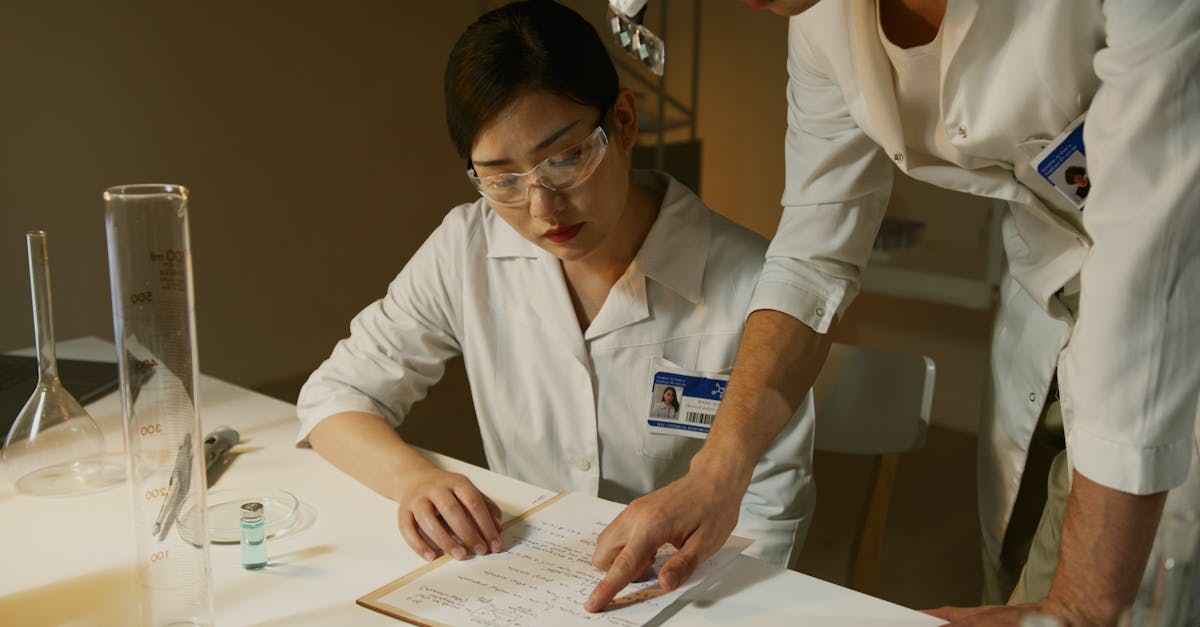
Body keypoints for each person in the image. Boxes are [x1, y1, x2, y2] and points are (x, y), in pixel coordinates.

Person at [587, 0, 1200, 623]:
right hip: (1051, 287)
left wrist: (1082, 601)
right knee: (1016, 576)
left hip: (1180, 302)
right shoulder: (822, 24)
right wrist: (714, 474)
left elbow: (1150, 268)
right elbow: (814, 256)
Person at [295, 0, 814, 584]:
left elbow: (770, 513)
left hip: (681, 590)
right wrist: (413, 480)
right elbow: (335, 398)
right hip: (525, 584)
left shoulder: (754, 283)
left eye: (566, 159)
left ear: (622, 123)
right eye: (502, 179)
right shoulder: (465, 249)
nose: (542, 208)